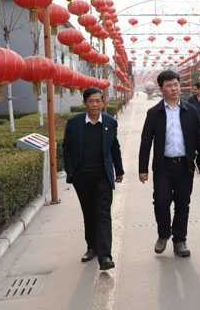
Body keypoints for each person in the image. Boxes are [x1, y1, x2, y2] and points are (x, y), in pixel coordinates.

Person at [139, 71, 200, 257]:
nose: (174, 89)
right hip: (163, 166)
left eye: (176, 84)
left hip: (185, 165)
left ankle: (180, 240)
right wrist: (142, 168)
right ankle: (163, 234)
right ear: (161, 89)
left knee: (182, 203)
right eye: (169, 86)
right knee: (161, 202)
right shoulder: (154, 113)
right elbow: (146, 141)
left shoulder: (190, 111)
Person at [63, 87, 124, 270]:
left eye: (98, 101)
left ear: (103, 102)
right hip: (81, 177)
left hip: (102, 176)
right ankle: (92, 247)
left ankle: (105, 256)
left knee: (103, 214)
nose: (95, 105)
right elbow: (66, 148)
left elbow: (114, 147)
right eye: (91, 101)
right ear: (85, 103)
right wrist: (71, 172)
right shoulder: (74, 123)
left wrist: (119, 170)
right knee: (89, 213)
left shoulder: (110, 122)